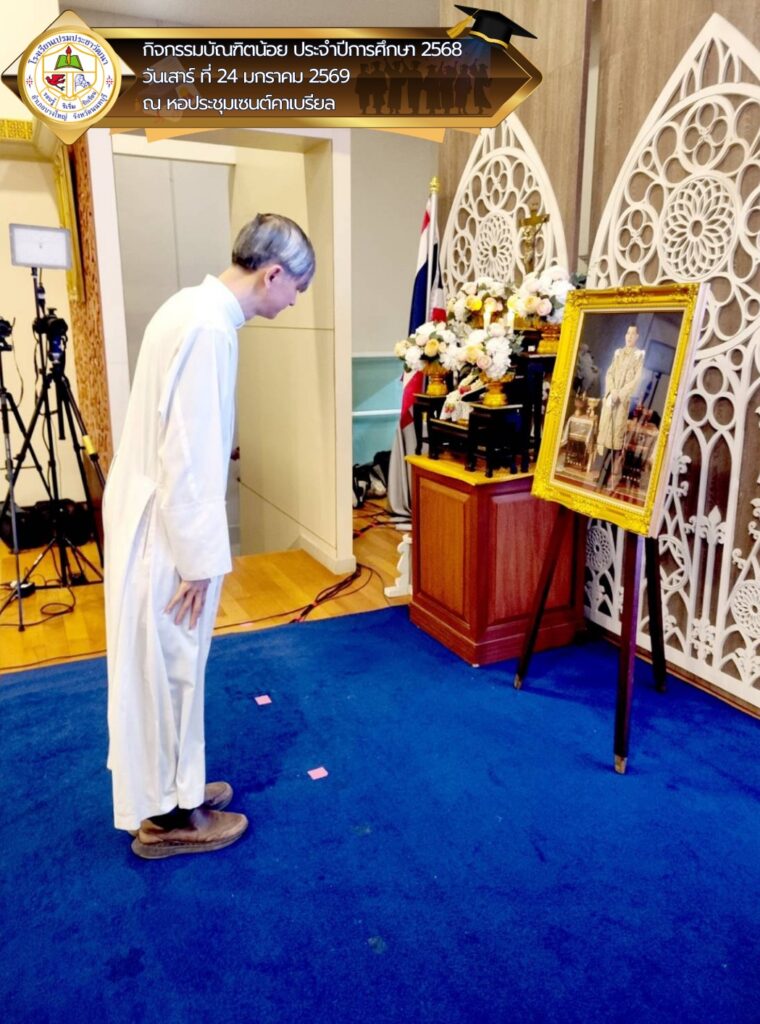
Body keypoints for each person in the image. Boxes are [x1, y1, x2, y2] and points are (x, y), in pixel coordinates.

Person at [103, 213, 315, 859]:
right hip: (167, 528)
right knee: (171, 668)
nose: (296, 301)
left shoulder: (191, 308)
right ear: (273, 274)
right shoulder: (208, 328)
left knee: (165, 665)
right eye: (299, 287)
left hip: (153, 513)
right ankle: (170, 818)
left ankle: (178, 788)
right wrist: (197, 562)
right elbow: (189, 454)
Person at [596, 324, 644, 488]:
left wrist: (621, 394)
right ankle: (600, 474)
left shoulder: (638, 356)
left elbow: (636, 380)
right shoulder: (618, 353)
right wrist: (612, 391)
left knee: (616, 437)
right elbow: (609, 373)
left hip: (622, 402)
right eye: (627, 333)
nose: (629, 337)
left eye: (633, 334)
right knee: (606, 434)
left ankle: (609, 477)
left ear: (637, 337)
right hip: (611, 399)